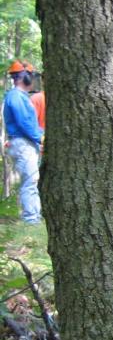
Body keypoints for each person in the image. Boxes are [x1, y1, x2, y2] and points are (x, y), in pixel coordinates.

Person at [3, 60, 44, 224]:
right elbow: (24, 122)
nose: (33, 80)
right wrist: (38, 137)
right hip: (23, 144)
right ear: (24, 77)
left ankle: (34, 216)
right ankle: (31, 219)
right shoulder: (15, 96)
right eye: (31, 76)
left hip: (25, 143)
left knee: (32, 181)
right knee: (30, 182)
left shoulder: (21, 97)